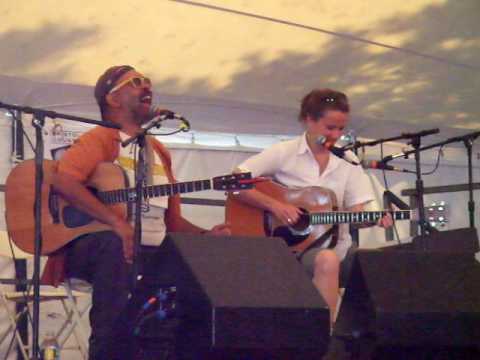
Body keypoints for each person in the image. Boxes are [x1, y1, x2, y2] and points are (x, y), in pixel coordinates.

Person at [41, 65, 230, 359]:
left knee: (195, 267)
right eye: (136, 82)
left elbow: (173, 222)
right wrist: (117, 223)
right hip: (94, 248)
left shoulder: (158, 150)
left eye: (149, 82)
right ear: (113, 100)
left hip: (150, 250)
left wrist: (206, 235)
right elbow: (63, 180)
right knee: (114, 247)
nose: (147, 87)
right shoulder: (102, 138)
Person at [232, 88, 392, 326]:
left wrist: (373, 218)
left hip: (340, 249)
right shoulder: (284, 153)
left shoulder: (349, 164)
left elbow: (357, 214)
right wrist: (276, 206)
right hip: (290, 251)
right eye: (330, 127)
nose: (336, 135)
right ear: (309, 120)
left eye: (341, 129)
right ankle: (324, 341)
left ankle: (363, 339)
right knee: (327, 260)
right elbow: (235, 181)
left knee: (380, 263)